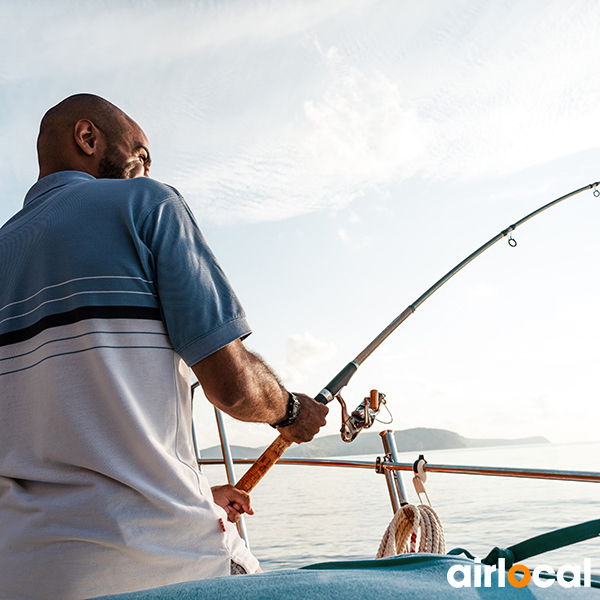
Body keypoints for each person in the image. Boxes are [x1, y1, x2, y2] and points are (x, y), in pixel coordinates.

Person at [0, 94, 328, 600]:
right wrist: (288, 412)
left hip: (20, 571)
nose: (147, 168)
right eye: (142, 153)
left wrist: (200, 493)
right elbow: (235, 388)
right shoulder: (147, 204)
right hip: (160, 562)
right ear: (88, 139)